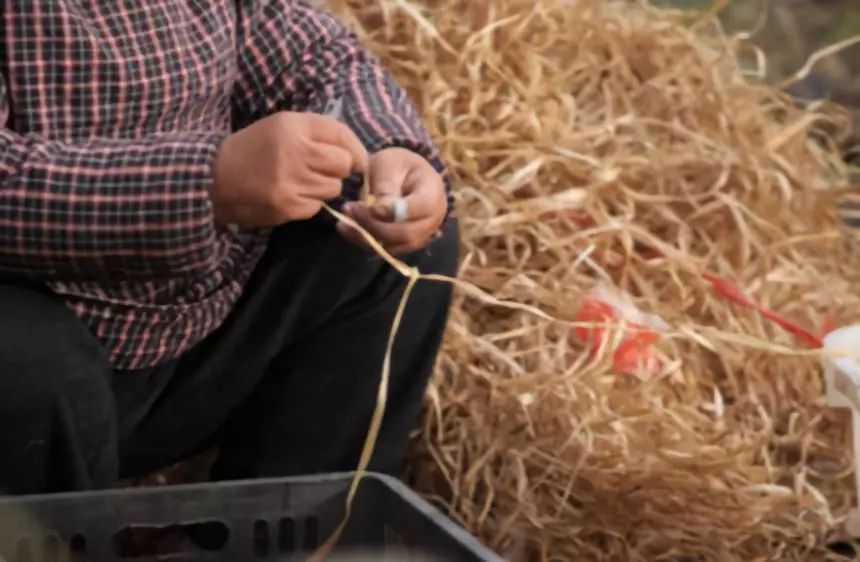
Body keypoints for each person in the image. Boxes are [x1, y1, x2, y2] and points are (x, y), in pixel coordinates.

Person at [0, 1, 457, 495]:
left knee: (382, 250)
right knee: (26, 364)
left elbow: (303, 48)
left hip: (195, 329)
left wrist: (385, 149)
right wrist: (205, 183)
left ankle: (298, 533)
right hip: (40, 358)